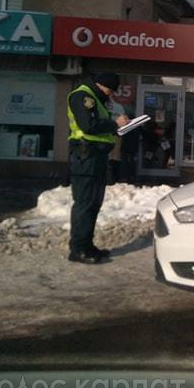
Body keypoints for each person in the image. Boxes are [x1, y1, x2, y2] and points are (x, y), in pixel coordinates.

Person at [67, 73, 129, 264]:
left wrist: (116, 126)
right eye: (110, 90)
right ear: (101, 85)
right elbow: (88, 126)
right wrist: (114, 124)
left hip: (96, 157)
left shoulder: (96, 99)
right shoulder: (82, 96)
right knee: (85, 204)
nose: (110, 94)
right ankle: (78, 249)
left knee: (93, 203)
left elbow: (97, 125)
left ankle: (87, 245)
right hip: (86, 158)